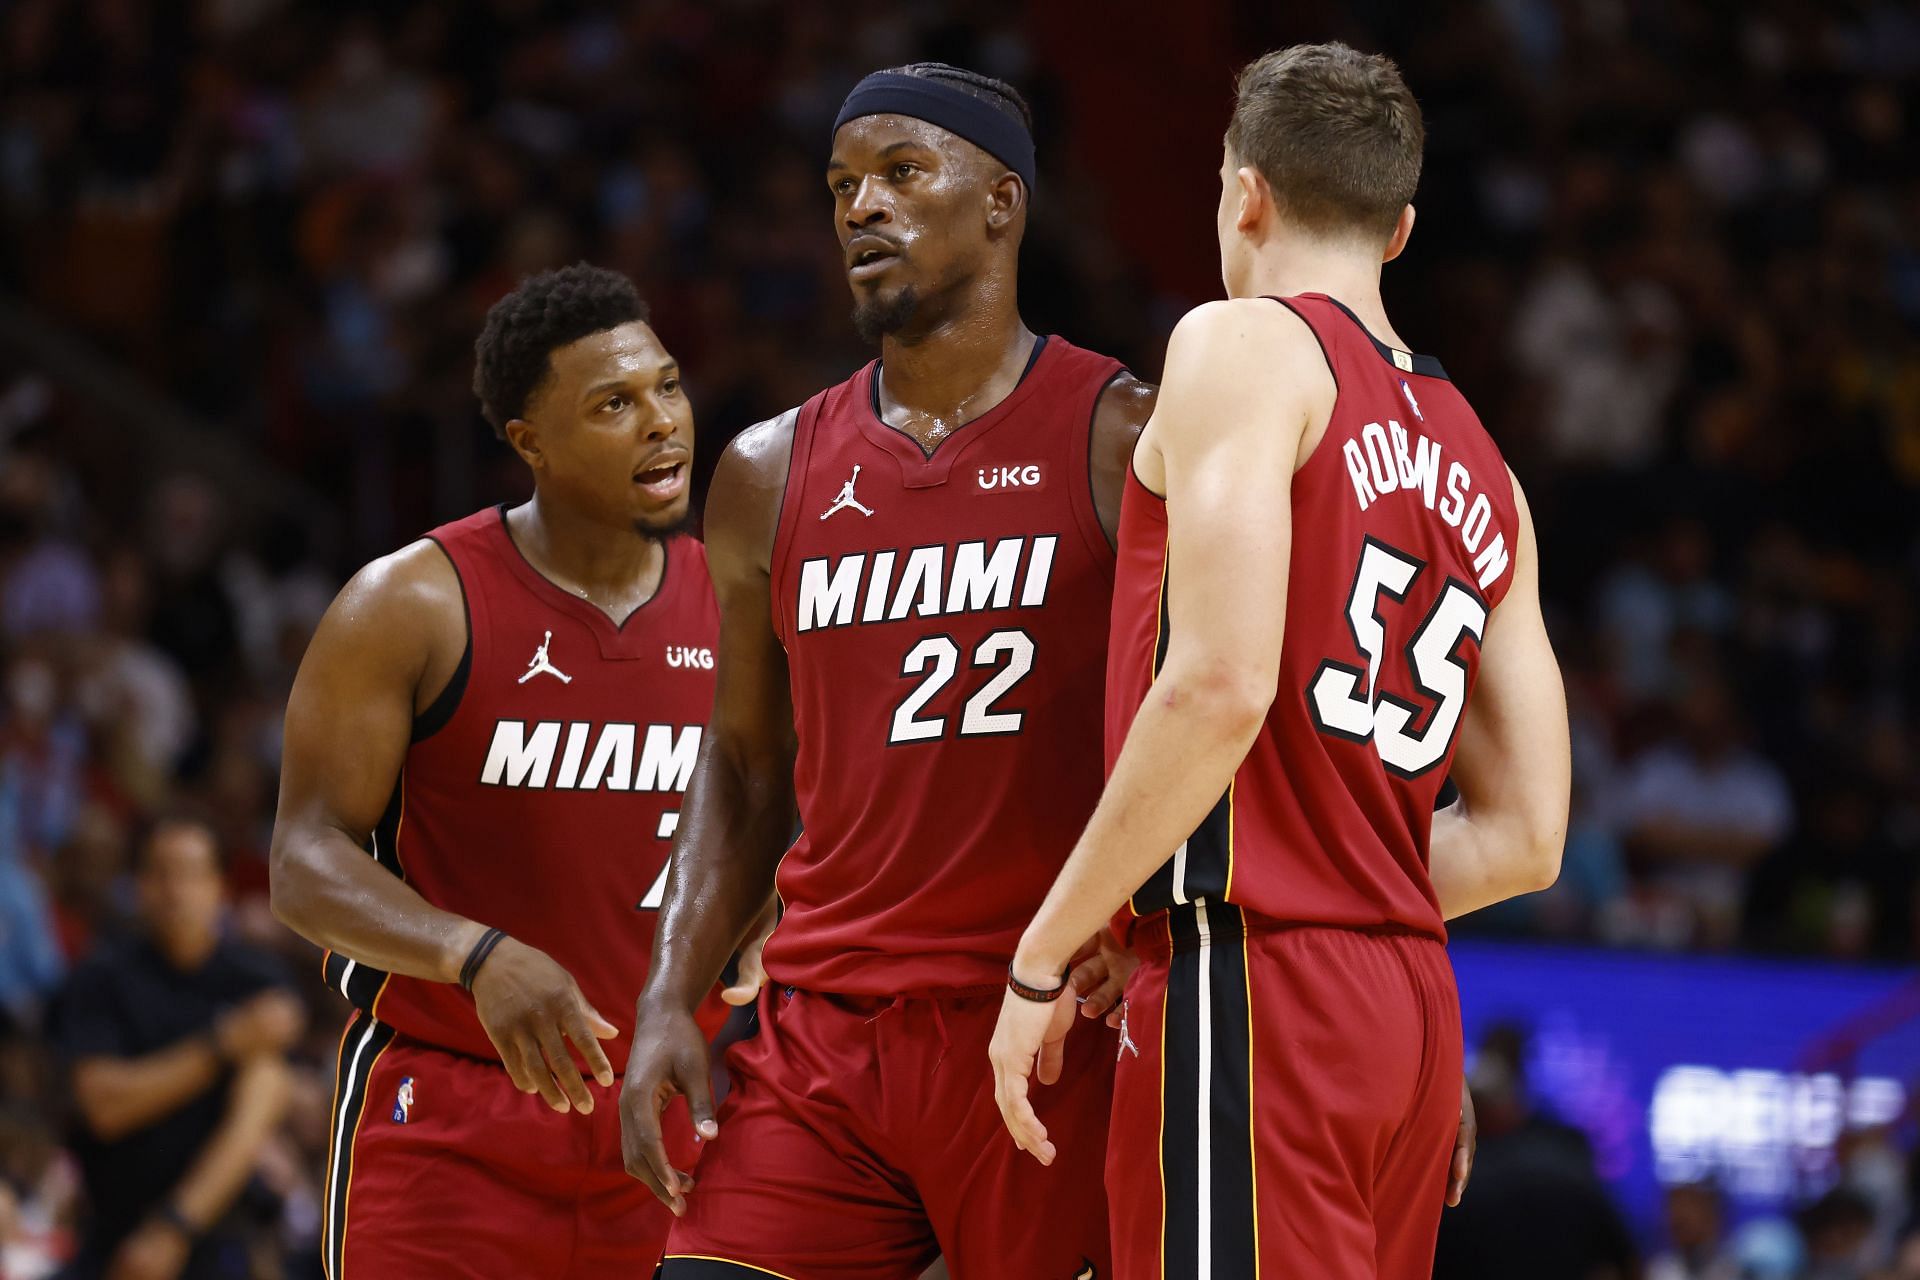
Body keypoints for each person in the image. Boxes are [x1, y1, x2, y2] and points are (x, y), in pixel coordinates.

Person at [990, 41, 1569, 1280]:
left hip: (1253, 991)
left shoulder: (1244, 345)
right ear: (1400, 229)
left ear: (1243, 193)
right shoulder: (1487, 465)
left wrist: (1056, 937)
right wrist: (1332, 880)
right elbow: (1529, 833)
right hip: (1411, 1007)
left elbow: (1219, 683)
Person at [617, 63, 1156, 1279]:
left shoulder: (1122, 435)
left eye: (902, 174)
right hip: (824, 1039)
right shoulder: (765, 469)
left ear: (1002, 201)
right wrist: (669, 996)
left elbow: (1227, 715)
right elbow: (747, 763)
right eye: (843, 185)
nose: (862, 207)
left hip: (1044, 1024)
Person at [269, 263, 730, 1278]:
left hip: (669, 1123)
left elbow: (793, 832)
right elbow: (303, 858)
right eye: (614, 403)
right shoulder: (411, 603)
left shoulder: (745, 607)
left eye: (666, 386)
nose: (661, 421)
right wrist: (472, 953)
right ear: (531, 442)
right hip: (448, 1118)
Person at [52, 816, 302, 1280]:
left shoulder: (258, 982)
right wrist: (223, 1043)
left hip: (213, 1233)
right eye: (159, 873)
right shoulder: (101, 976)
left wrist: (175, 1226)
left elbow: (261, 1105)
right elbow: (104, 1107)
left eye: (190, 873)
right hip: (111, 1232)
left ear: (218, 886)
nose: (174, 889)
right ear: (139, 885)